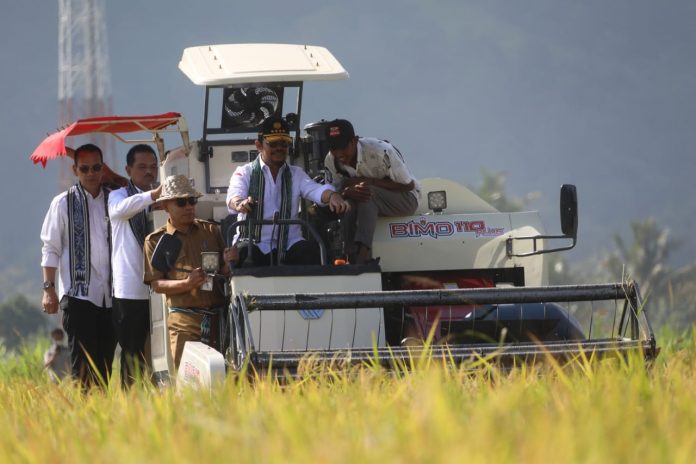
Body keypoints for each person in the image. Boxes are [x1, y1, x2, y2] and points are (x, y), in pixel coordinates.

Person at [40, 143, 117, 388]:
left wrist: (113, 177)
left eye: (96, 167)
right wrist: (48, 289)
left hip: (111, 295)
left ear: (103, 168)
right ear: (75, 170)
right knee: (82, 367)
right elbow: (50, 248)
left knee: (105, 367)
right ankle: (84, 418)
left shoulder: (114, 199)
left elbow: (135, 183)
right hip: (77, 294)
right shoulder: (62, 203)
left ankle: (100, 416)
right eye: (85, 168)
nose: (91, 173)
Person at [226, 116, 349, 266]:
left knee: (311, 252)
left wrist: (332, 196)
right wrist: (240, 203)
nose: (279, 148)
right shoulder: (245, 172)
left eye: (284, 143)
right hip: (254, 243)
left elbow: (315, 190)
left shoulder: (296, 174)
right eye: (273, 143)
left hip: (290, 244)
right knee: (245, 254)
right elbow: (234, 196)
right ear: (259, 145)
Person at [143, 175, 237, 369]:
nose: (188, 206)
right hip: (183, 322)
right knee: (189, 384)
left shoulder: (211, 231)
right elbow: (156, 284)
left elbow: (223, 272)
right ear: (165, 206)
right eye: (181, 202)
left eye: (192, 201)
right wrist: (187, 283)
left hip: (217, 321)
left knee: (221, 382)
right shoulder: (155, 241)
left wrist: (229, 263)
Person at [324, 119, 420, 264]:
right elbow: (333, 193)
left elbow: (408, 185)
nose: (339, 153)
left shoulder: (381, 151)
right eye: (333, 148)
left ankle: (363, 257)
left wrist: (368, 182)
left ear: (354, 141)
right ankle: (348, 256)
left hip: (406, 198)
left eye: (343, 147)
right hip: (367, 201)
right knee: (349, 203)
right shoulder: (331, 160)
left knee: (367, 193)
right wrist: (347, 192)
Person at [108, 144, 162, 388]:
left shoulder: (161, 199)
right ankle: (130, 406)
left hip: (161, 287)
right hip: (130, 290)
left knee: (159, 350)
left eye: (153, 167)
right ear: (128, 169)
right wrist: (154, 196)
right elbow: (121, 210)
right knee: (132, 352)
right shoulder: (118, 196)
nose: (149, 172)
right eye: (142, 167)